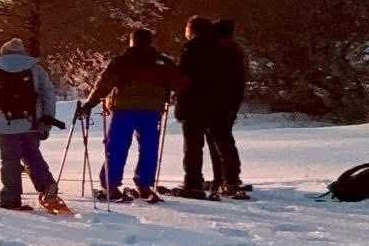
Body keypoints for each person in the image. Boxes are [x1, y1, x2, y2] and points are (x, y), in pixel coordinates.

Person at [77, 28, 184, 203]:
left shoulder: (122, 61)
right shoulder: (163, 62)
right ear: (150, 42)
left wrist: (90, 104)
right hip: (152, 110)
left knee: (117, 146)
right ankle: (144, 185)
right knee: (149, 148)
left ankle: (111, 185)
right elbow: (180, 83)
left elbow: (104, 84)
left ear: (132, 41)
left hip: (124, 109)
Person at [0, 38, 69, 212]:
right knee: (32, 155)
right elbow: (48, 93)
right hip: (31, 122)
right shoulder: (34, 68)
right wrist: (47, 119)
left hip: (4, 124)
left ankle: (11, 198)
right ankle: (47, 187)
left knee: (10, 160)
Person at [173, 16, 235, 198]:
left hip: (194, 105)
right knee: (224, 144)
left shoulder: (189, 52)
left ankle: (193, 182)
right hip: (220, 104)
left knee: (193, 146)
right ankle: (230, 181)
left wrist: (179, 105)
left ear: (192, 30)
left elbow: (182, 81)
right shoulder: (225, 51)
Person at [210, 18, 249, 196]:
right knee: (222, 140)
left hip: (219, 103)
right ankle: (225, 177)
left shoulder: (222, 51)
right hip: (230, 102)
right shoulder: (236, 50)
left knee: (220, 141)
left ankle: (229, 178)